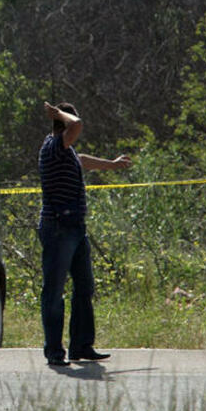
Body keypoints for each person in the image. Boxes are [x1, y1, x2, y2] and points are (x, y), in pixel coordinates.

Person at [39, 101, 132, 366]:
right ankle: (54, 351)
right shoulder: (52, 146)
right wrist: (59, 114)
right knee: (54, 291)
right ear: (64, 124)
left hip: (76, 229)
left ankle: (81, 345)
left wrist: (112, 165)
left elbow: (83, 160)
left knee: (84, 286)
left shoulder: (65, 151)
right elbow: (77, 125)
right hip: (58, 227)